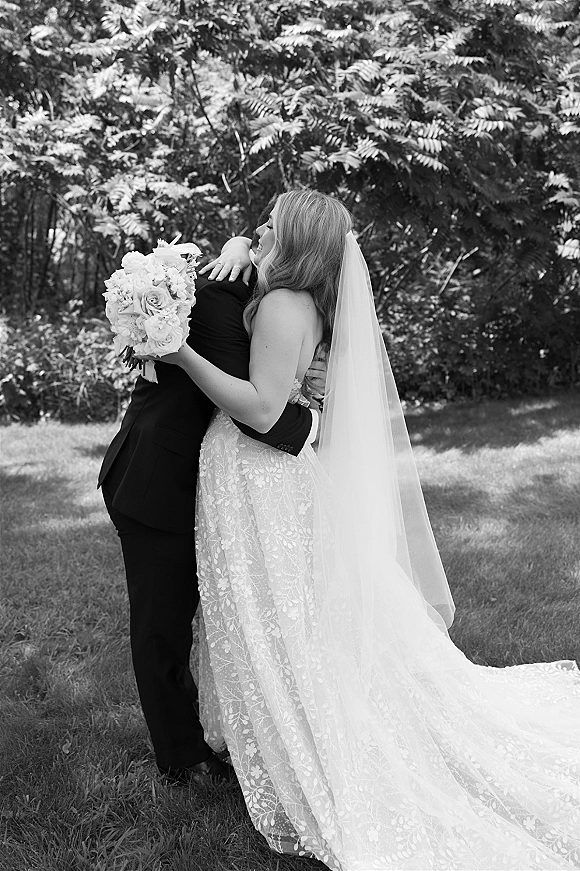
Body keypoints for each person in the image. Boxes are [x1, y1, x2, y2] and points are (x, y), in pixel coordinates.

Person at [151, 189, 580, 870]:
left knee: (280, 618)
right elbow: (259, 317)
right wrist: (233, 248)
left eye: (271, 222)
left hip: (259, 475)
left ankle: (301, 736)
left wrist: (181, 357)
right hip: (259, 479)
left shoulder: (286, 306)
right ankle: (263, 728)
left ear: (296, 237)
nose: (259, 227)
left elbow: (262, 410)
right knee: (273, 613)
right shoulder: (297, 294)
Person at [98, 224, 322, 785]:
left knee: (226, 612)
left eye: (269, 228)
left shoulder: (268, 297)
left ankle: (230, 729)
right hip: (158, 479)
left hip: (215, 484)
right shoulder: (225, 295)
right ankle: (183, 756)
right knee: (163, 624)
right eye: (257, 228)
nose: (256, 232)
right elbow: (262, 414)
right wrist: (314, 423)